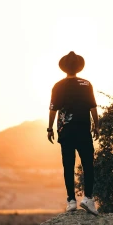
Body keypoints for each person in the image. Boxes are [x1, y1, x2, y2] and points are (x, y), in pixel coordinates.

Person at [47, 51, 100, 215]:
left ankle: (71, 201)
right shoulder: (86, 84)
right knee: (88, 165)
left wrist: (50, 128)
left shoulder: (57, 86)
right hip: (83, 129)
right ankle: (88, 199)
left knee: (68, 166)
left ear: (64, 68)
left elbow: (52, 110)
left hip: (66, 131)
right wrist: (96, 125)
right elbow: (93, 107)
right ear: (78, 67)